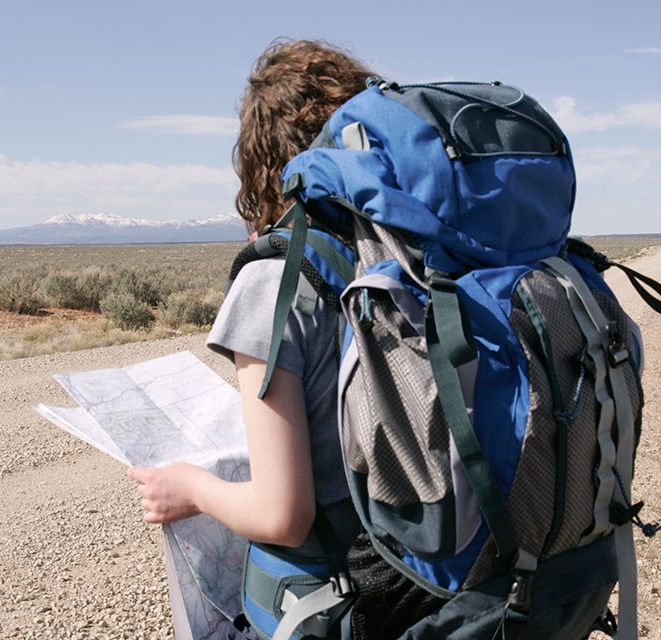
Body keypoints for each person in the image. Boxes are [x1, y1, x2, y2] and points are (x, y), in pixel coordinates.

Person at [128, 39, 438, 638]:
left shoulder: (276, 280)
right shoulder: (418, 259)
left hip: (346, 600)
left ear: (260, 158)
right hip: (437, 579)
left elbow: (283, 515)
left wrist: (188, 487)